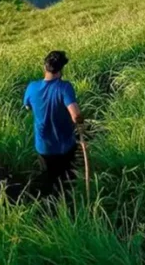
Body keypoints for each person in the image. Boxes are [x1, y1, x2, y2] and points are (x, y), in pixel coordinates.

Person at [23, 50, 84, 195]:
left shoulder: (32, 87)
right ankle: (70, 206)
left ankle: (50, 209)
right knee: (68, 181)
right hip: (66, 146)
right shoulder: (64, 87)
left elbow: (27, 107)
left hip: (44, 147)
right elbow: (76, 115)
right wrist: (82, 127)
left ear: (45, 67)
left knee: (49, 181)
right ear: (61, 70)